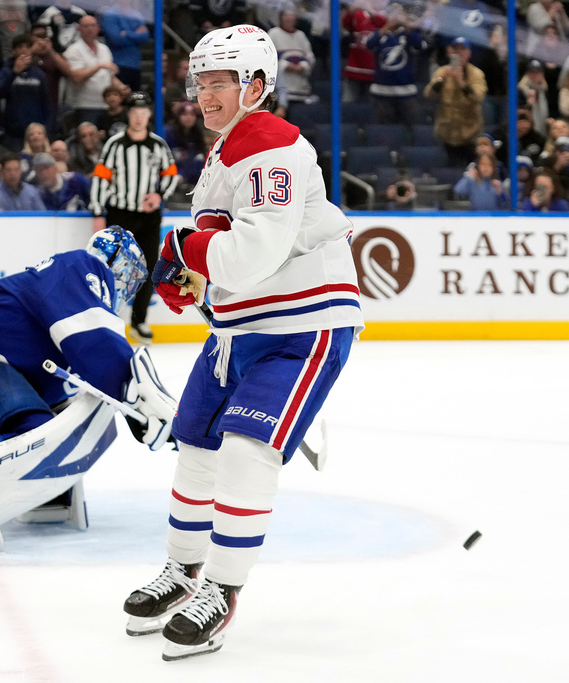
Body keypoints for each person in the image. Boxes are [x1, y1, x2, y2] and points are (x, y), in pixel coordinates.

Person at [123, 25, 363, 662]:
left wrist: (179, 249)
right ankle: (183, 572)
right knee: (196, 444)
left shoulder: (268, 142)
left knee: (244, 449)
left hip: (302, 326)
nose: (205, 95)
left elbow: (254, 251)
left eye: (219, 82)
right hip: (240, 329)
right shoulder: (227, 148)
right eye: (200, 83)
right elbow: (231, 257)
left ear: (257, 86)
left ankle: (223, 592)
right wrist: (195, 283)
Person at [0, 226, 175, 528]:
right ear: (119, 265)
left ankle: (34, 497)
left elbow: (87, 376)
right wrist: (142, 402)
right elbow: (96, 345)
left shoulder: (63, 299)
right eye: (131, 279)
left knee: (43, 429)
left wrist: (134, 407)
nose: (127, 290)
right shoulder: (80, 267)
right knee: (36, 435)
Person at [90, 91, 178, 343]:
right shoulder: (115, 144)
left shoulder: (158, 145)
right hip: (120, 214)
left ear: (149, 114)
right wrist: (98, 211)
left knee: (150, 267)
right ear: (128, 115)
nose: (139, 118)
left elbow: (171, 173)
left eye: (143, 112)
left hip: (149, 217)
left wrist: (159, 195)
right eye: (134, 113)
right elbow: (101, 178)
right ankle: (106, 319)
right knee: (112, 266)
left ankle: (139, 322)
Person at [424, 37, 488, 166]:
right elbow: (428, 94)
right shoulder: (442, 71)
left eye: (462, 49)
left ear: (469, 53)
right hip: (447, 134)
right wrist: (442, 79)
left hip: (470, 134)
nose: (459, 53)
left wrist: (462, 83)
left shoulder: (476, 74)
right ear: (450, 52)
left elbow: (478, 97)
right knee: (450, 171)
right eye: (455, 49)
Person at [63, 15, 118, 126]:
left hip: (106, 105)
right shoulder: (73, 50)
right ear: (79, 29)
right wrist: (99, 66)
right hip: (84, 105)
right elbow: (76, 77)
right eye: (86, 26)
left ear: (98, 28)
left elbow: (110, 76)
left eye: (93, 26)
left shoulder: (104, 49)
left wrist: (121, 87)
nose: (90, 29)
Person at [99, 0, 150, 91]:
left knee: (135, 100)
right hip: (117, 66)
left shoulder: (136, 15)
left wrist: (126, 33)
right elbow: (116, 38)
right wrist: (136, 34)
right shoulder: (110, 14)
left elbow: (145, 37)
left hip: (135, 65)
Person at [267, 9, 315, 104]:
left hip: (301, 90)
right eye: (286, 15)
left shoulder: (301, 35)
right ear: (280, 18)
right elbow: (267, 57)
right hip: (281, 90)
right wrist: (284, 65)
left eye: (291, 16)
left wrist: (303, 66)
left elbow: (310, 57)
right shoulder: (273, 33)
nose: (289, 19)